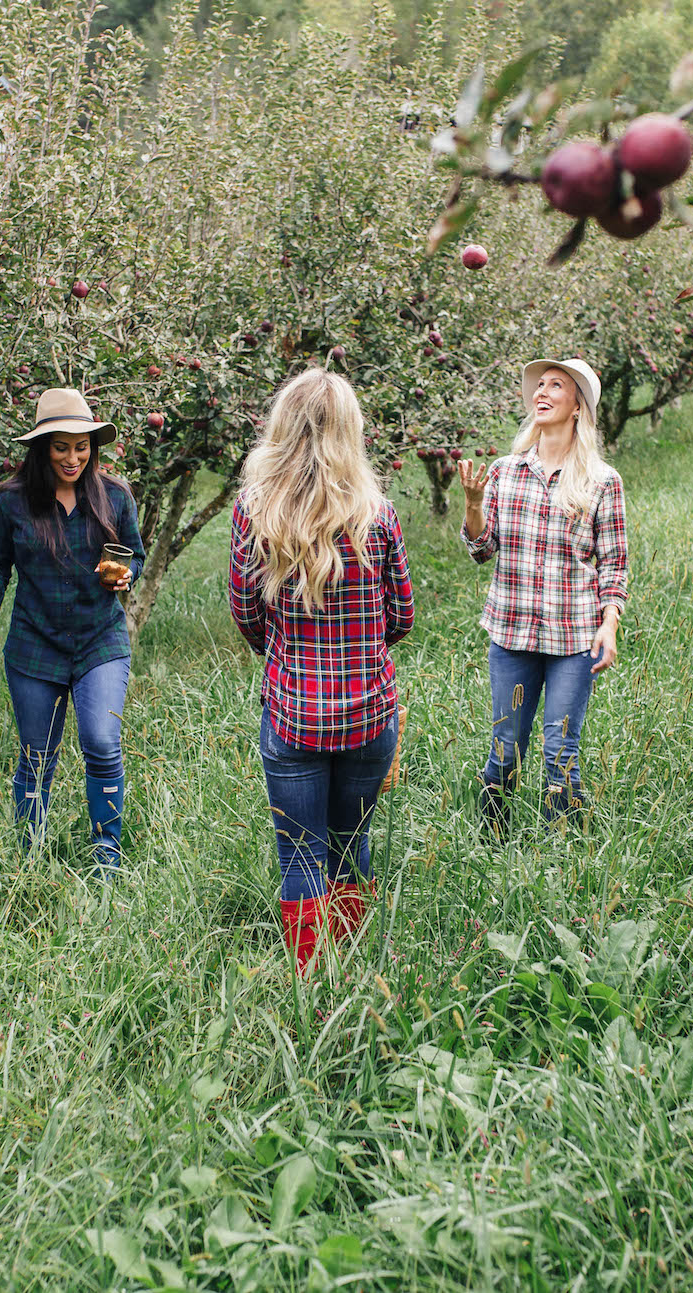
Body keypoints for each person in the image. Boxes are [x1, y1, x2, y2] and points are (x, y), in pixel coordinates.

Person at [229, 368, 414, 974]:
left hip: (292, 713)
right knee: (350, 844)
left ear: (281, 430)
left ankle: (312, 981)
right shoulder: (376, 515)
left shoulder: (256, 514)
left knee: (301, 856)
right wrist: (358, 647)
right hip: (369, 712)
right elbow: (402, 616)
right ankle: (355, 966)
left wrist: (287, 652)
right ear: (350, 433)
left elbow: (246, 612)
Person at [0, 388, 144, 875]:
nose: (73, 457)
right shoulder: (11, 503)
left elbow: (134, 556)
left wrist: (126, 575)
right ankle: (29, 857)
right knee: (37, 755)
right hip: (35, 646)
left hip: (100, 641)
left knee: (102, 742)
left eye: (81, 446)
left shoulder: (115, 496)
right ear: (41, 448)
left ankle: (107, 856)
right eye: (61, 446)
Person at [457, 356, 627, 832]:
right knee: (505, 747)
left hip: (573, 637)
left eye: (556, 385)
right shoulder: (506, 472)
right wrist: (473, 506)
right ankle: (488, 840)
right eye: (540, 385)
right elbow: (481, 549)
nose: (542, 393)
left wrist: (609, 625)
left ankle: (563, 856)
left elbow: (615, 564)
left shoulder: (602, 481)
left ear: (577, 406)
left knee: (561, 751)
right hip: (511, 631)